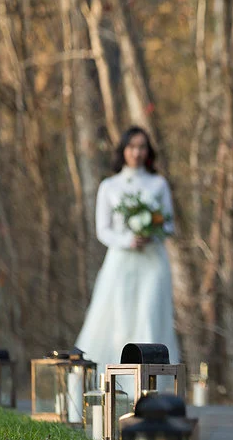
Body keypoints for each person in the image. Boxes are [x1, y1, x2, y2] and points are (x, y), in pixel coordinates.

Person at [75, 126, 180, 367]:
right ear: (123, 150)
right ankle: (117, 384)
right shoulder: (110, 186)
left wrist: (151, 234)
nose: (137, 152)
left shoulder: (158, 184)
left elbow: (169, 225)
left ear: (148, 151)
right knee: (119, 322)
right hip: (121, 262)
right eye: (132, 147)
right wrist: (128, 240)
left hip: (152, 260)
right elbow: (103, 229)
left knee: (150, 316)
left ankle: (151, 386)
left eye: (142, 147)